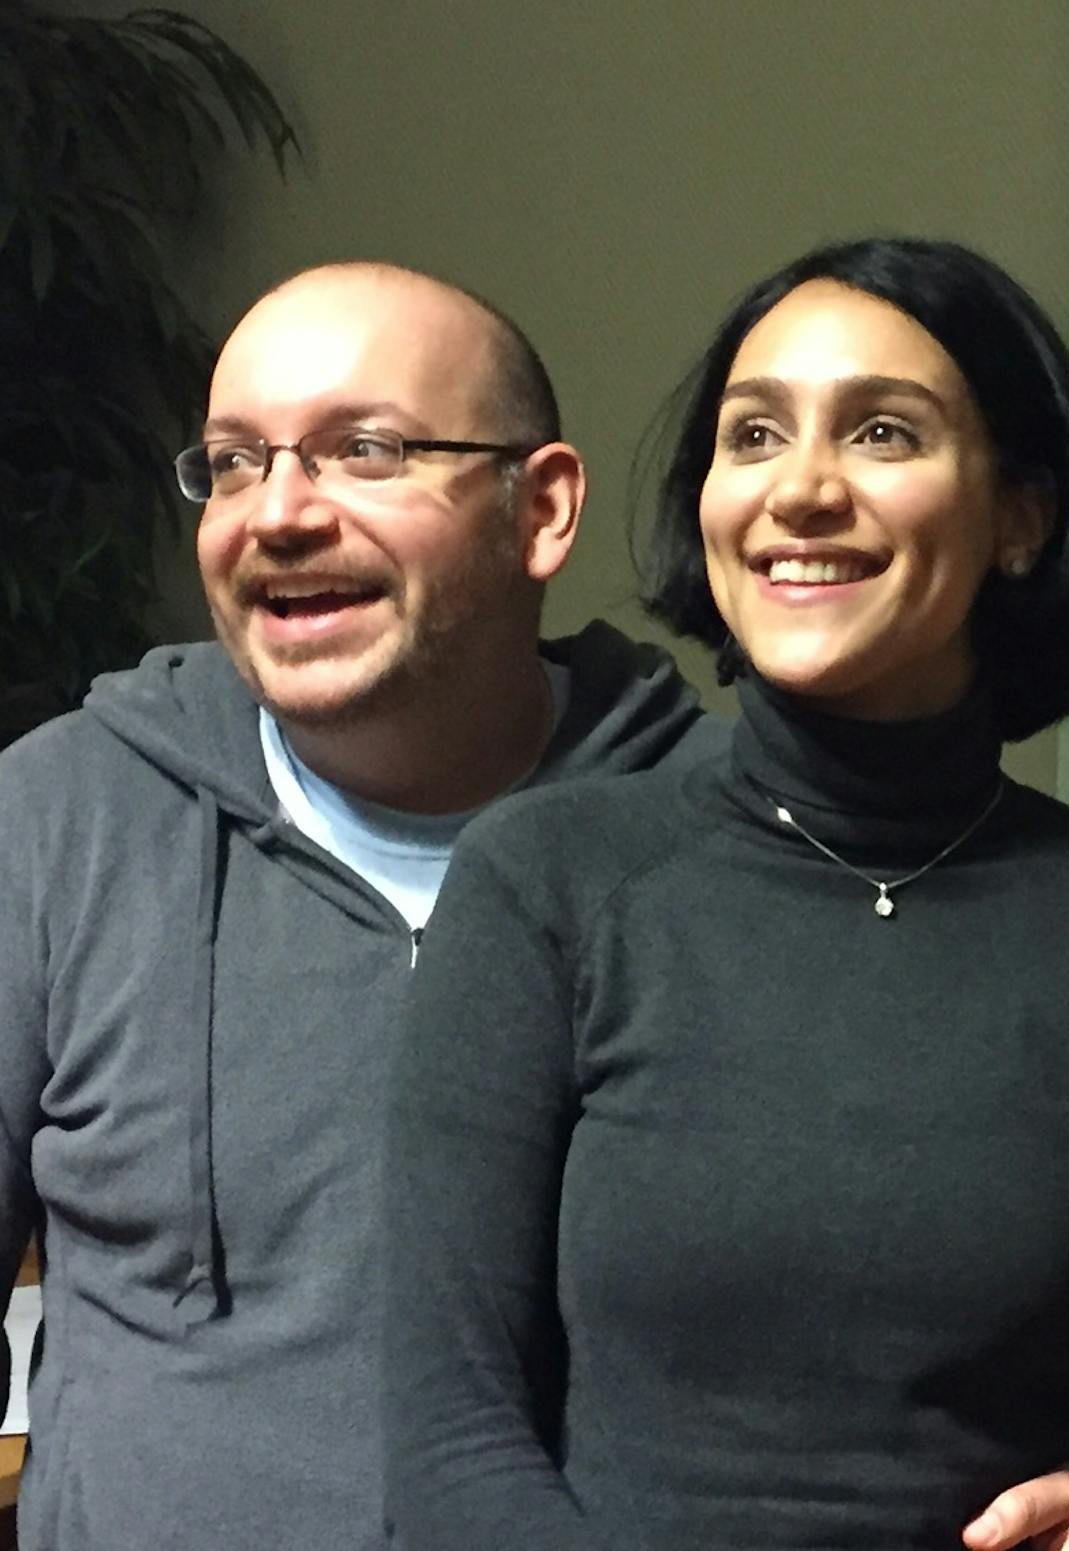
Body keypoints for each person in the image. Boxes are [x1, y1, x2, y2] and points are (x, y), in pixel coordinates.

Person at [382, 237, 1069, 1548]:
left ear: (1021, 514)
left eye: (883, 431)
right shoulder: (547, 882)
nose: (800, 490)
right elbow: (448, 1435)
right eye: (753, 434)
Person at [0, 263, 718, 1548]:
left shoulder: (724, 838)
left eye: (364, 451)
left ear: (540, 509)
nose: (276, 514)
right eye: (231, 462)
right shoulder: (60, 817)